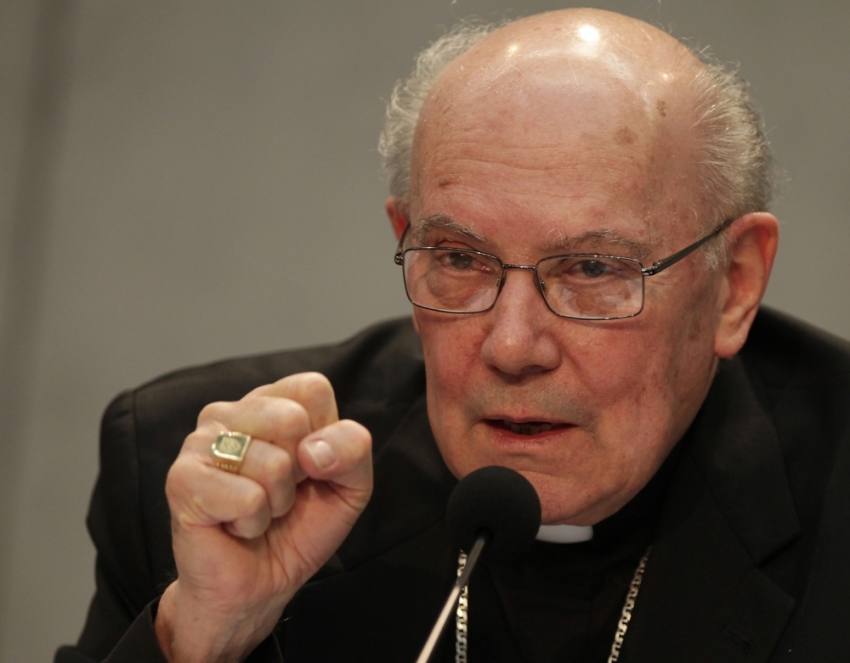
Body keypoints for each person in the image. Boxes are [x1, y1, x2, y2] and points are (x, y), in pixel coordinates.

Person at [57, 8, 850, 663]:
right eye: (460, 259)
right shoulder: (215, 497)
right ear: (406, 237)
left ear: (734, 282)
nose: (512, 346)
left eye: (593, 268)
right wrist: (202, 636)